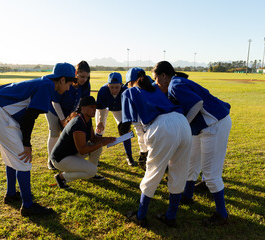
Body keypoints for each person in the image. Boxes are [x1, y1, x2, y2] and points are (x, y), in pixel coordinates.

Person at [0, 62, 76, 216]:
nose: (69, 87)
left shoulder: (45, 83)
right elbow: (30, 117)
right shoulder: (47, 86)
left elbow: (27, 114)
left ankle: (11, 194)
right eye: (70, 83)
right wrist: (27, 144)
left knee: (12, 155)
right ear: (62, 79)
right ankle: (28, 207)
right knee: (23, 158)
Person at [152, 61, 232, 226]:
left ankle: (222, 215)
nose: (156, 82)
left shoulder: (174, 84)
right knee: (191, 162)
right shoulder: (175, 83)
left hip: (215, 124)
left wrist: (184, 124)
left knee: (210, 173)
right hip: (203, 127)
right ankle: (187, 196)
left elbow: (198, 103)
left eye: (157, 78)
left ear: (164, 75)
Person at [122, 67, 192, 227]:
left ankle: (140, 216)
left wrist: (144, 150)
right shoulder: (155, 88)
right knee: (179, 171)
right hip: (182, 122)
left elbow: (134, 125)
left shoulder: (129, 92)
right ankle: (170, 216)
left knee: (153, 172)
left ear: (130, 82)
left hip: (161, 126)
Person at [51, 96, 116, 189]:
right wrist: (101, 143)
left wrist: (106, 139)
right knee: (93, 168)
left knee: (97, 148)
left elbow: (93, 139)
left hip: (70, 154)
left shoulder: (86, 119)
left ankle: (91, 174)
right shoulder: (78, 123)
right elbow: (82, 150)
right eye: (91, 107)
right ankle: (61, 177)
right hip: (60, 159)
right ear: (83, 108)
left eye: (95, 107)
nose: (94, 110)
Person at [46, 61, 91, 170]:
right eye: (82, 76)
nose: (84, 79)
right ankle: (51, 160)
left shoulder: (85, 85)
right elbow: (55, 102)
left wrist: (76, 117)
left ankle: (68, 158)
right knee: (55, 133)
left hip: (69, 111)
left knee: (69, 134)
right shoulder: (66, 82)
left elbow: (83, 103)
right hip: (53, 109)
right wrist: (62, 119)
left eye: (87, 77)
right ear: (76, 73)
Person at [95, 72, 136, 166]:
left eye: (117, 87)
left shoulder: (125, 90)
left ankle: (129, 156)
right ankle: (95, 157)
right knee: (99, 131)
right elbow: (101, 108)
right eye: (111, 87)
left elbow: (128, 108)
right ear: (108, 85)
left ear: (121, 85)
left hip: (119, 109)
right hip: (104, 109)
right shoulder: (103, 90)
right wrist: (100, 122)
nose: (114, 90)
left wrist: (126, 123)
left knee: (125, 131)